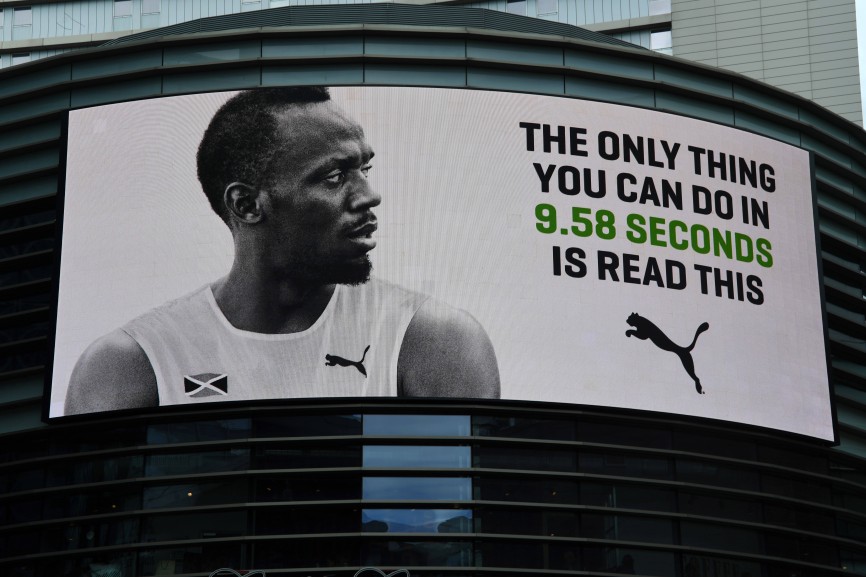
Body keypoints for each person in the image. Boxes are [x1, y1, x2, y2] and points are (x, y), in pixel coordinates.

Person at [64, 87, 499, 415]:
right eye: (334, 176)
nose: (369, 195)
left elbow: (465, 520)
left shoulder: (432, 341)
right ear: (247, 205)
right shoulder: (132, 363)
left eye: (364, 168)